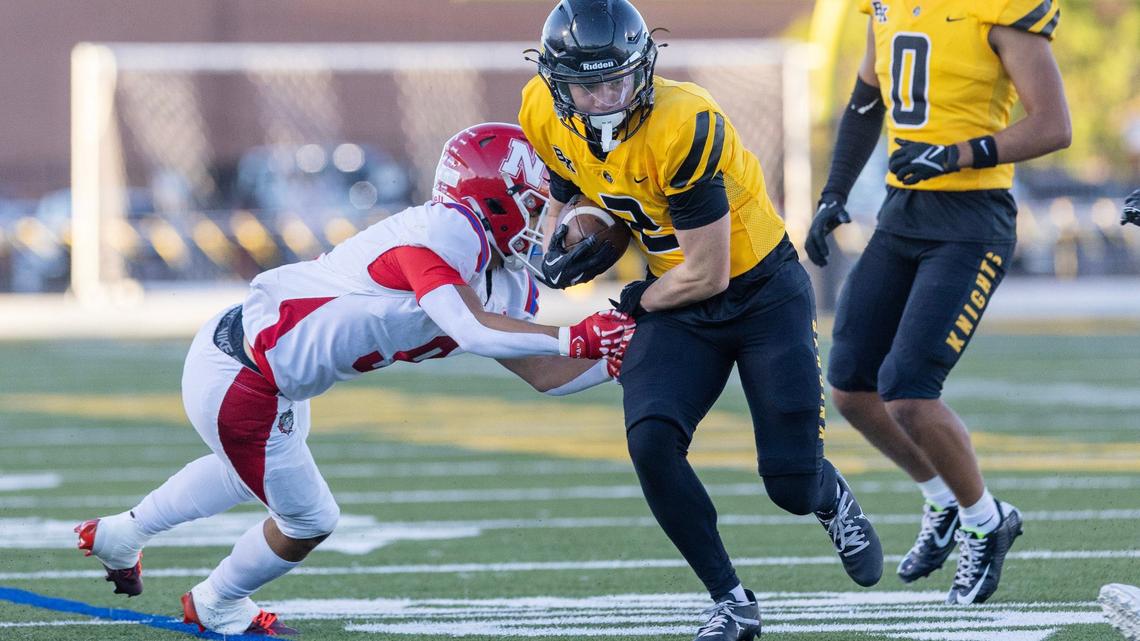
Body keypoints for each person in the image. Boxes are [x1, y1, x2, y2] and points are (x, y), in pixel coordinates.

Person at [74, 123, 635, 636]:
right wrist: (579, 335)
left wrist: (627, 355)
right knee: (310, 517)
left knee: (249, 473)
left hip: (261, 371)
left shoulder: (504, 279)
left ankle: (122, 534)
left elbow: (544, 373)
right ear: (494, 199)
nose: (548, 223)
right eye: (537, 206)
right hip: (241, 375)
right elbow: (478, 330)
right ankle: (218, 601)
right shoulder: (446, 231)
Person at [520, 2, 883, 639]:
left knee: (790, 485)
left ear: (644, 68)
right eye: (588, 83)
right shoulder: (541, 110)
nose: (605, 98)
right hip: (679, 297)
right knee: (651, 440)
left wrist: (633, 300)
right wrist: (561, 230)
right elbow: (566, 175)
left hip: (757, 292)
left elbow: (708, 273)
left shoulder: (682, 122)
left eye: (617, 80)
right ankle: (731, 600)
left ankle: (829, 497)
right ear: (557, 82)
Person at [805, 0, 1071, 605]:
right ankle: (945, 499)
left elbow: (1054, 124)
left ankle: (986, 520)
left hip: (973, 221)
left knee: (907, 390)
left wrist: (956, 154)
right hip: (903, 213)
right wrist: (833, 193)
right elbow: (866, 101)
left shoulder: (1000, 8)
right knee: (849, 385)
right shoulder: (886, 6)